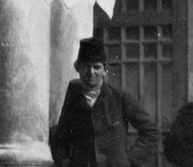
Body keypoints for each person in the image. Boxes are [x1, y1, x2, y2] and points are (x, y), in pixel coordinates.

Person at [51, 36, 160, 167]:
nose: (91, 72)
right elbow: (60, 137)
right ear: (77, 67)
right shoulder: (73, 97)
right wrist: (64, 161)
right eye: (85, 66)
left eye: (96, 67)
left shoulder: (119, 97)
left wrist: (130, 160)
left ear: (105, 69)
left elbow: (151, 131)